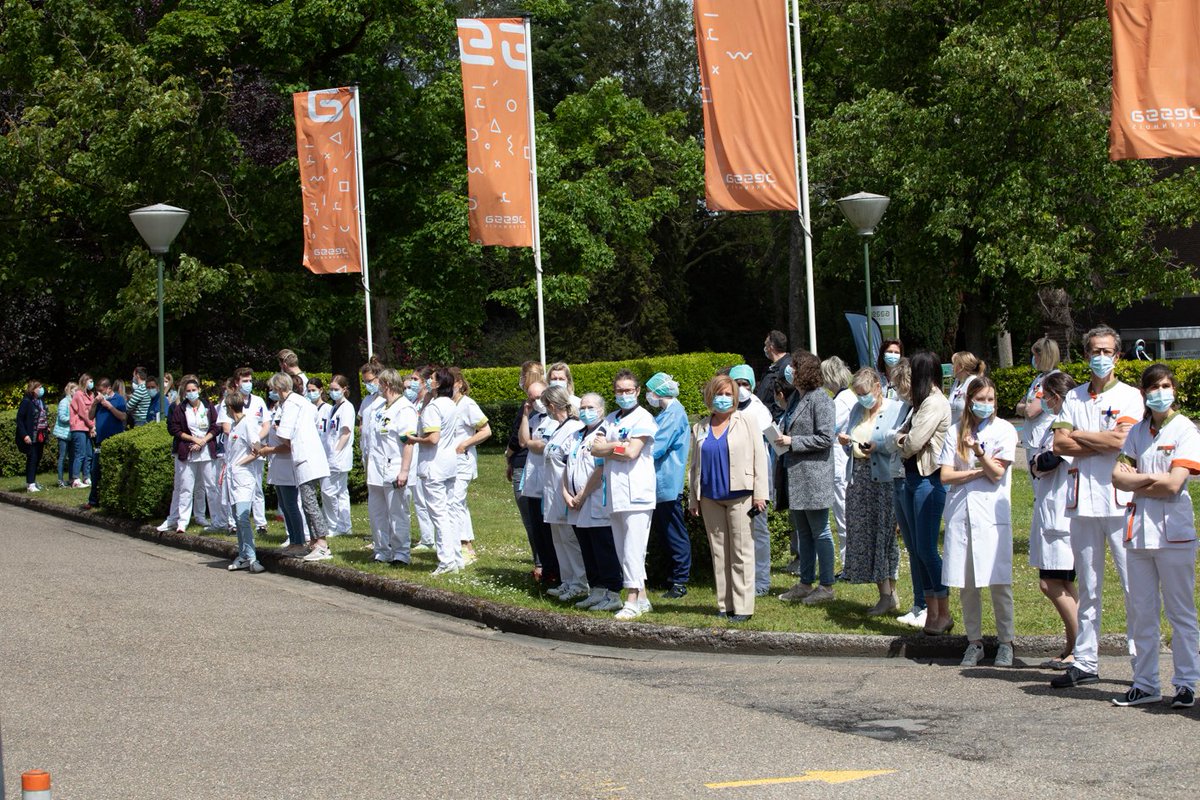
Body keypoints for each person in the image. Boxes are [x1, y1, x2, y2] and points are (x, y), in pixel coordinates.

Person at [1049, 325, 1141, 689]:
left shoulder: (1131, 396)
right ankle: (1086, 660)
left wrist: (1080, 438)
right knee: (1088, 585)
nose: (1100, 357)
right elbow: (1059, 444)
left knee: (1133, 584)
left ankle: (1142, 663)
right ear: (1085, 355)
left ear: (1117, 356)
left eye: (1107, 351)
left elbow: (1122, 439)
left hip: (1118, 501)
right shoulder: (1073, 397)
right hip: (1082, 501)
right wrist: (1098, 442)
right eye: (1094, 351)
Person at [1110, 363, 1200, 708]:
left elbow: (1175, 483)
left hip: (1174, 534)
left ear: (1173, 389)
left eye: (1166, 385)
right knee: (1142, 612)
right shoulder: (1137, 432)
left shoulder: (1185, 430)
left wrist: (1139, 480)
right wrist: (1151, 482)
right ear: (1144, 393)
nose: (1160, 392)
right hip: (1139, 533)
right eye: (1154, 387)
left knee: (1181, 612)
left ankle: (1186, 683)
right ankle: (1145, 683)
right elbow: (1117, 478)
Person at [939, 377, 1018, 667]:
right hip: (961, 513)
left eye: (991, 400)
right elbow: (946, 476)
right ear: (970, 400)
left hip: (992, 515)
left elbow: (997, 473)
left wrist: (980, 456)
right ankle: (974, 642)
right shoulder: (955, 431)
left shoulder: (1005, 430)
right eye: (981, 399)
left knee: (999, 582)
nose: (986, 405)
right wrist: (975, 472)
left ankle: (1006, 642)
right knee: (967, 583)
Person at [688, 374, 769, 622]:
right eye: (719, 394)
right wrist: (694, 498)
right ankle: (725, 604)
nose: (723, 399)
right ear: (709, 397)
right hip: (710, 495)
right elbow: (695, 466)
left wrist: (760, 494)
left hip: (741, 495)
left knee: (741, 551)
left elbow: (759, 458)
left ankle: (744, 606)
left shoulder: (747, 421)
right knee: (719, 552)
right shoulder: (700, 426)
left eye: (728, 395)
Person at [890, 351, 953, 634]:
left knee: (927, 549)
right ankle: (931, 611)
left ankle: (944, 612)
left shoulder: (934, 403)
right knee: (916, 548)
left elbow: (912, 441)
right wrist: (901, 438)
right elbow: (900, 434)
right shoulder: (921, 403)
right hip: (913, 477)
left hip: (929, 479)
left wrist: (901, 440)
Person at [838, 368, 907, 615]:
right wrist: (846, 443)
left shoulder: (895, 409)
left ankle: (889, 594)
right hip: (859, 478)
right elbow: (851, 439)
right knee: (866, 536)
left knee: (885, 537)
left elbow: (900, 443)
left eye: (864, 393)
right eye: (857, 394)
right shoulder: (857, 410)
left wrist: (877, 447)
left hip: (885, 480)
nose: (861, 398)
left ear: (877, 386)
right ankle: (885, 594)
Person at [590, 370, 658, 620]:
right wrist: (617, 446)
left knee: (633, 548)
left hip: (637, 492)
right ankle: (642, 598)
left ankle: (630, 600)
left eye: (629, 390)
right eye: (619, 390)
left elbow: (633, 452)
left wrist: (609, 448)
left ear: (638, 392)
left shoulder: (644, 418)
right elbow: (594, 448)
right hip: (615, 492)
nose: (624, 394)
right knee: (623, 548)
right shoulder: (610, 418)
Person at [776, 350, 837, 606]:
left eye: (794, 367)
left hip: (814, 476)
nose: (789, 371)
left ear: (805, 371)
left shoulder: (821, 399)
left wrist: (792, 441)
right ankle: (805, 582)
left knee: (820, 531)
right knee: (803, 532)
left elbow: (826, 438)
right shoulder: (796, 399)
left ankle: (826, 585)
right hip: (796, 473)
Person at [1028, 370, 1079, 669]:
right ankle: (1073, 645)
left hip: (1061, 512)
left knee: (1051, 583)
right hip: (1050, 508)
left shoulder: (1070, 424)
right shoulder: (1053, 425)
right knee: (1062, 583)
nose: (1043, 401)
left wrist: (1038, 462)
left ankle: (1082, 645)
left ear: (1056, 397)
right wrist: (1037, 462)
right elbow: (1038, 462)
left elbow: (1048, 460)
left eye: (1045, 396)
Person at [256, 372, 331, 561]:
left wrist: (269, 445)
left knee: (309, 503)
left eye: (273, 389)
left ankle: (322, 544)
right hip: (308, 456)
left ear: (279, 388)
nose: (273, 393)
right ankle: (314, 542)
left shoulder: (291, 404)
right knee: (307, 503)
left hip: (306, 458)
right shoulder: (302, 401)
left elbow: (285, 436)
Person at [564, 393, 625, 612]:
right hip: (577, 504)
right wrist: (566, 493)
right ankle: (596, 590)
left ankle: (613, 592)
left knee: (603, 548)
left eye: (590, 407)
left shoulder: (603, 434)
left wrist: (582, 494)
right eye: (582, 407)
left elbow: (600, 469)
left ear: (601, 410)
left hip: (595, 499)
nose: (585, 411)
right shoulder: (577, 435)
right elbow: (567, 466)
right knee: (587, 548)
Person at [537, 385, 589, 600]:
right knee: (559, 540)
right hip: (552, 494)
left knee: (570, 540)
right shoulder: (558, 428)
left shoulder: (574, 427)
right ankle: (567, 581)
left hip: (565, 493)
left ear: (551, 405)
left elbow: (573, 463)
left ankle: (581, 582)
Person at [409, 367, 463, 575]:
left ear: (439, 384)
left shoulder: (434, 407)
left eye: (431, 379)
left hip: (434, 464)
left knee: (439, 514)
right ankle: (455, 557)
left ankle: (446, 560)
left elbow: (432, 439)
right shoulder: (450, 404)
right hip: (448, 463)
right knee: (449, 512)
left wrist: (414, 439)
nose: (428, 381)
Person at [730, 365, 775, 597]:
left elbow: (772, 444)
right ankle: (742, 578)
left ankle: (761, 580)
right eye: (736, 383)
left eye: (745, 384)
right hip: (733, 479)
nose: (741, 388)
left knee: (758, 529)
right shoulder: (727, 408)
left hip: (757, 479)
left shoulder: (759, 411)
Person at [365, 368, 417, 565]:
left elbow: (408, 442)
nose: (376, 387)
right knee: (377, 513)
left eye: (379, 383)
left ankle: (401, 553)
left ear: (386, 384)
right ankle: (381, 550)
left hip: (395, 468)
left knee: (398, 513)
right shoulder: (380, 408)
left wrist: (404, 471)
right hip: (376, 469)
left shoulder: (404, 408)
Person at [647, 371, 691, 599]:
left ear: (659, 391)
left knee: (674, 533)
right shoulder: (666, 413)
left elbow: (657, 446)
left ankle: (680, 581)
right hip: (659, 483)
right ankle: (669, 578)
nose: (648, 395)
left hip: (668, 483)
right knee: (664, 533)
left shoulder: (675, 413)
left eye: (650, 391)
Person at [506, 361, 547, 577]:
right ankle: (542, 563)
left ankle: (542, 564)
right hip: (524, 463)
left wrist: (508, 456)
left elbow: (519, 440)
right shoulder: (528, 408)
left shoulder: (536, 408)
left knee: (534, 519)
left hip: (525, 464)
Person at [518, 379, 559, 586]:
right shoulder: (535, 419)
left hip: (548, 484)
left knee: (550, 532)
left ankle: (555, 572)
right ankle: (546, 569)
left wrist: (532, 443)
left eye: (539, 398)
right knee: (537, 531)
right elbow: (523, 441)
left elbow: (541, 446)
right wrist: (525, 416)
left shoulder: (555, 421)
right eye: (531, 399)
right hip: (533, 484)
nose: (536, 402)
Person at [449, 368, 491, 565]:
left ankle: (465, 546)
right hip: (448, 462)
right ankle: (463, 544)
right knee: (457, 503)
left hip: (462, 459)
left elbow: (485, 430)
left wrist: (464, 444)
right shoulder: (447, 404)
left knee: (456, 502)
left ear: (458, 383)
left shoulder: (467, 404)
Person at [222, 389, 265, 574]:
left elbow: (257, 449)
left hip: (244, 477)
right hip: (233, 477)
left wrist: (240, 463)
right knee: (237, 519)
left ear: (230, 407)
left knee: (242, 516)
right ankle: (243, 554)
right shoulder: (234, 426)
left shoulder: (247, 424)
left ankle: (252, 556)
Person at [821, 357, 856, 574]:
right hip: (843, 459)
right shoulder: (847, 397)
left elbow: (828, 428)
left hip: (839, 460)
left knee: (843, 513)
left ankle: (848, 565)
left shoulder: (841, 401)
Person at [166, 376, 215, 528]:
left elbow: (215, 426)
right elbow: (174, 429)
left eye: (194, 390)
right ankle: (182, 521)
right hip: (188, 450)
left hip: (206, 450)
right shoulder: (180, 408)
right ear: (184, 392)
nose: (192, 393)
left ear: (199, 390)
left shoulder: (207, 406)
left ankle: (204, 517)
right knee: (185, 487)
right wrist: (194, 440)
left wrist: (203, 441)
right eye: (189, 391)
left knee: (205, 486)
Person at [320, 374, 356, 537]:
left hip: (338, 456)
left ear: (344, 389)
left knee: (327, 490)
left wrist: (335, 452)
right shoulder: (334, 407)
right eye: (331, 389)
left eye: (336, 389)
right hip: (331, 455)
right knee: (341, 492)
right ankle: (344, 525)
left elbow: (346, 433)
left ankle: (334, 525)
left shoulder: (347, 407)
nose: (333, 392)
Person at [1016, 337, 1062, 453]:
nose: (1033, 359)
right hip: (1032, 439)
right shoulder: (1039, 378)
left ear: (1044, 357)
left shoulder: (1053, 380)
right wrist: (1025, 407)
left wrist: (1026, 408)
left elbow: (1030, 412)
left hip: (1043, 440)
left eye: (1035, 355)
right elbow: (1020, 405)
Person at [15, 380, 48, 492]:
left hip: (40, 435)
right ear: (33, 389)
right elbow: (20, 419)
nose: (41, 390)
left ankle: (33, 481)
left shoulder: (40, 401)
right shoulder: (26, 402)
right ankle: (30, 483)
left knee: (38, 457)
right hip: (31, 435)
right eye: (39, 387)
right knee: (32, 458)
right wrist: (24, 435)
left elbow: (43, 415)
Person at [756, 330, 792, 421]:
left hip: (775, 423)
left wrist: (774, 420)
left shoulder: (787, 369)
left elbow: (787, 399)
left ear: (771, 347)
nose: (765, 348)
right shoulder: (772, 368)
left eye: (766, 345)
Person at [68, 373, 95, 488]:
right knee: (80, 454)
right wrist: (92, 426)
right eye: (89, 381)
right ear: (84, 382)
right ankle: (75, 479)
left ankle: (86, 476)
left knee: (89, 453)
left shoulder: (91, 395)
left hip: (88, 428)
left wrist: (93, 426)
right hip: (79, 428)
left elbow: (93, 411)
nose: (91, 384)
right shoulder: (78, 395)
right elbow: (83, 413)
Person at [947, 351, 986, 423]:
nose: (951, 367)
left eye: (953, 364)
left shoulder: (973, 382)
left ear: (961, 366)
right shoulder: (956, 382)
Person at [53, 381, 77, 488]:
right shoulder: (64, 402)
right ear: (70, 390)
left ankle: (71, 479)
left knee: (72, 457)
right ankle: (60, 480)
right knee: (62, 457)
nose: (77, 392)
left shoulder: (74, 402)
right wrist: (73, 419)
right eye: (75, 390)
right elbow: (62, 417)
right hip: (63, 434)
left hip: (71, 433)